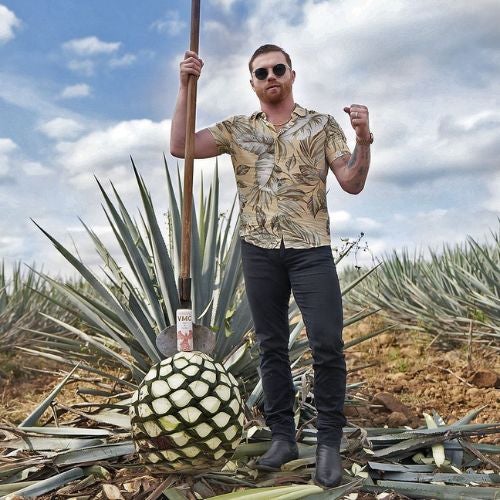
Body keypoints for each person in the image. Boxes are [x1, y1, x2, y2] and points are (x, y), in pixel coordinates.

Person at [170, 44, 372, 488]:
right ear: (253, 83)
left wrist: (363, 138)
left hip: (310, 248)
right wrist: (186, 84)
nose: (271, 77)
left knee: (326, 343)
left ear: (292, 74)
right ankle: (282, 436)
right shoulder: (238, 130)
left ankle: (327, 445)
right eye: (262, 73)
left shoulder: (322, 125)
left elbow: (352, 183)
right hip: (259, 248)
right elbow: (180, 146)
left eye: (278, 69)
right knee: (270, 345)